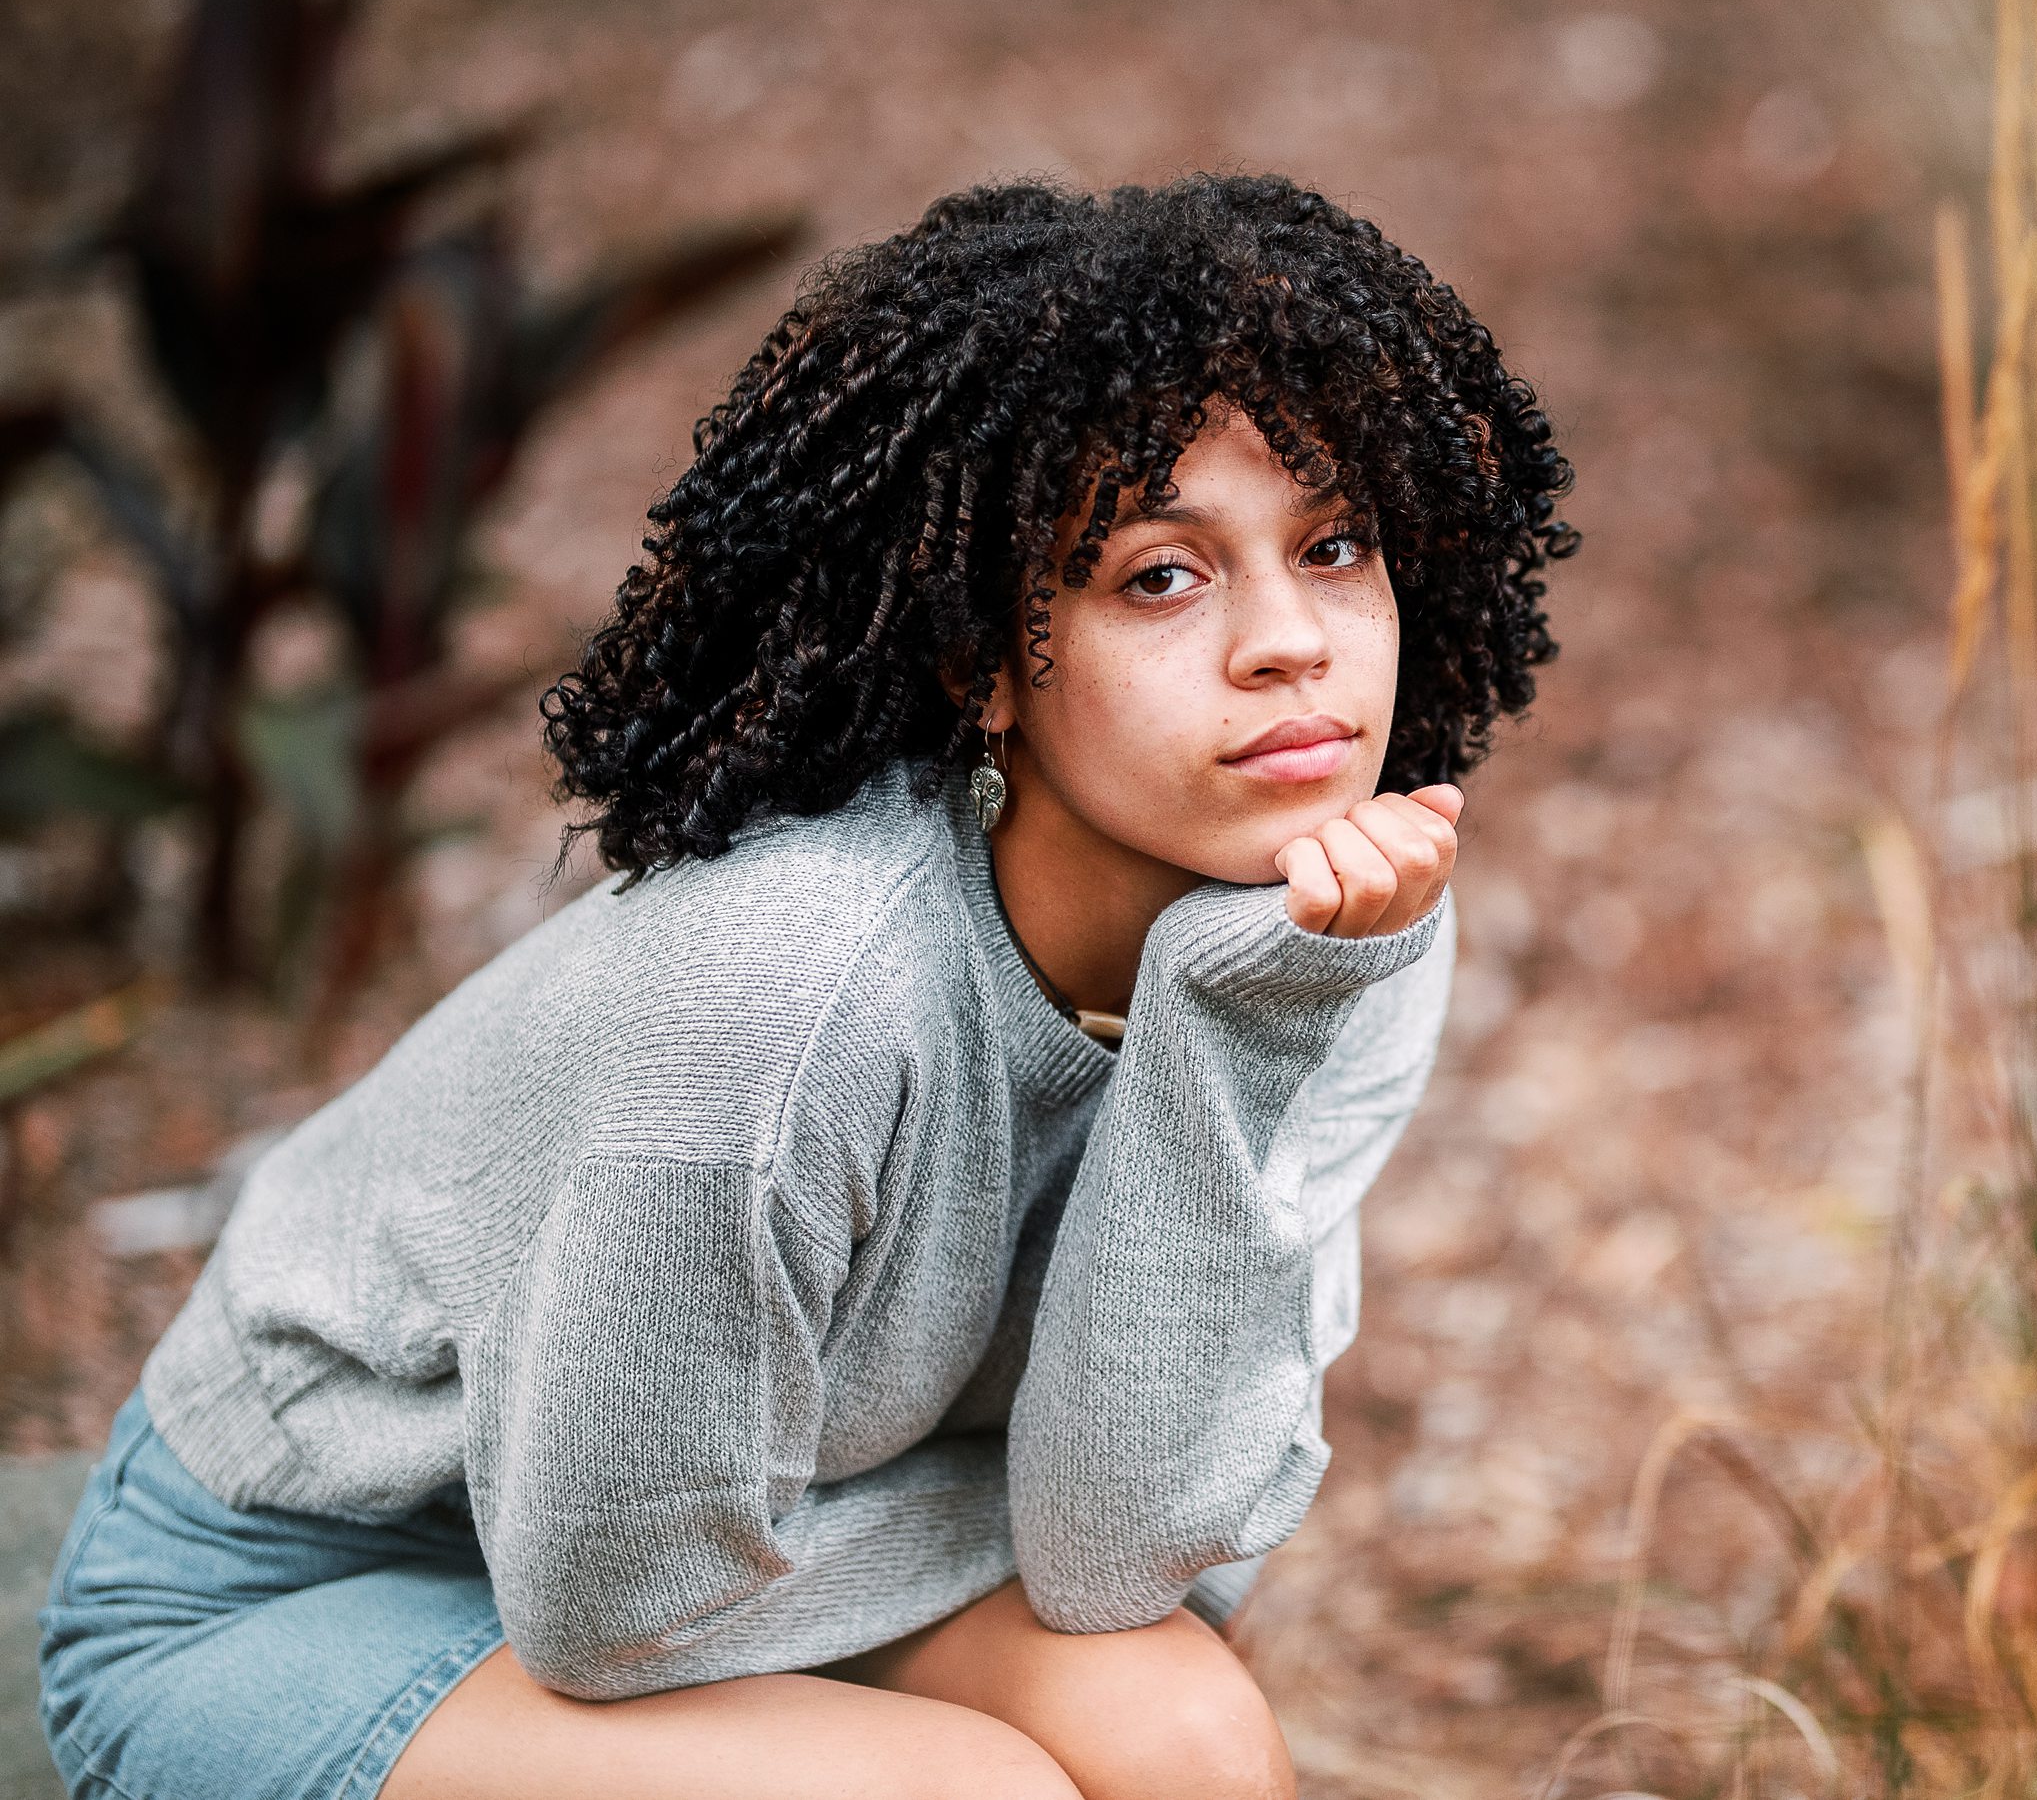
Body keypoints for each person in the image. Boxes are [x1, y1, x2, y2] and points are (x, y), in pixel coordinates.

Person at [34, 174, 1577, 1800]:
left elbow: (1126, 1557)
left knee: (1185, 1736)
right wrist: (1047, 1520)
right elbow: (611, 1608)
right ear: (982, 659)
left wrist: (1241, 1025)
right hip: (307, 1589)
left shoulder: (1336, 925)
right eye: (1160, 576)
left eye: (1334, 546)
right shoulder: (787, 986)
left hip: (772, 1546)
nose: (1290, 643)